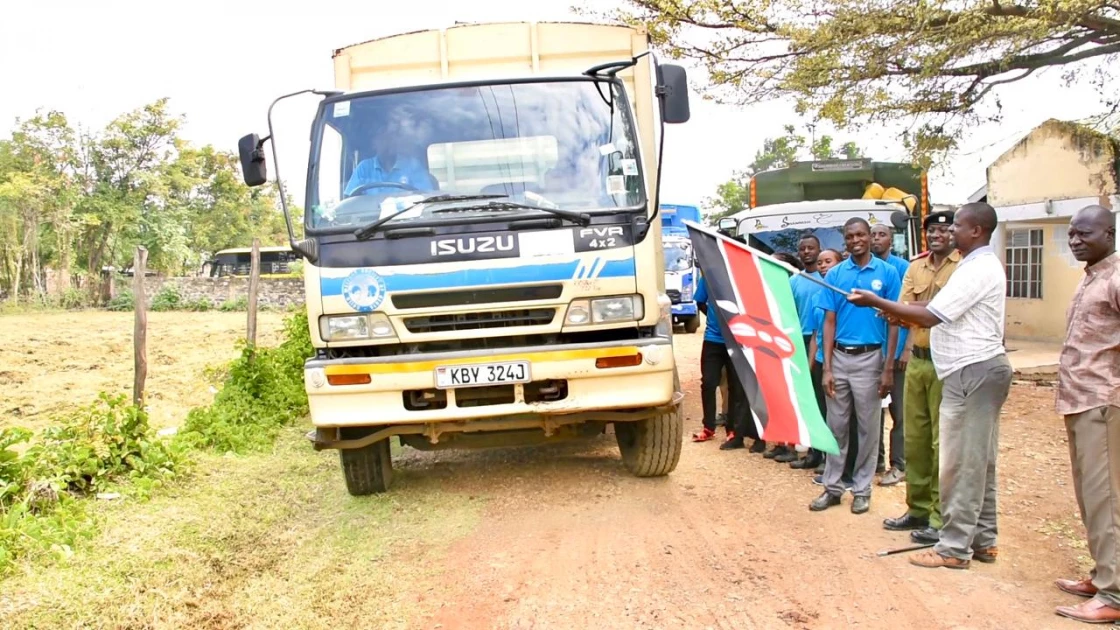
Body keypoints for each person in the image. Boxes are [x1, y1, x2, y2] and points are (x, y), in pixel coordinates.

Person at [848, 202, 1011, 569]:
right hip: (967, 370)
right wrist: (894, 310)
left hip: (973, 371)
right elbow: (922, 311)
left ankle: (953, 548)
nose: (950, 232)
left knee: (961, 463)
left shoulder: (977, 268)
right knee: (977, 461)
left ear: (977, 231)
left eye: (958, 226)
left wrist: (876, 300)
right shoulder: (973, 265)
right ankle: (983, 541)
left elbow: (932, 314)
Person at [1052, 205, 1120, 624]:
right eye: (1072, 234)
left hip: (1103, 401)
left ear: (1110, 233)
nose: (1076, 240)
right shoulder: (1092, 277)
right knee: (1090, 497)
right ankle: (1102, 574)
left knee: (1106, 498)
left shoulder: (1115, 278)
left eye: (1085, 234)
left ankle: (1114, 594)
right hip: (1078, 400)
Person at [809, 218, 901, 515]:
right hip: (839, 359)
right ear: (844, 240)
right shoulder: (835, 274)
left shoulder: (887, 273)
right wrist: (827, 367)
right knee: (836, 428)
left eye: (861, 234)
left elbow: (894, 321)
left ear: (869, 238)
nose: (856, 240)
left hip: (871, 360)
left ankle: (862, 490)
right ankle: (833, 488)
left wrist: (888, 367)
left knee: (867, 428)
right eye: (850, 236)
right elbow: (829, 321)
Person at [880, 210, 960, 545]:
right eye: (932, 230)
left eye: (944, 229)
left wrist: (915, 309)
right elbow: (903, 310)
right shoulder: (916, 266)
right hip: (917, 360)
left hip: (947, 362)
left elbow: (937, 311)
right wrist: (912, 311)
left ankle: (941, 518)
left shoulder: (964, 266)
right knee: (915, 437)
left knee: (942, 442)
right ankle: (918, 508)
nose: (937, 235)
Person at [692, 274, 763, 452]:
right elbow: (700, 301)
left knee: (736, 386)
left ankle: (733, 429)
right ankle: (708, 426)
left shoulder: (740, 274)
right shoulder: (708, 276)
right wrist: (714, 320)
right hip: (713, 339)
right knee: (708, 383)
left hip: (737, 341)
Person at [870, 223, 911, 485]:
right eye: (872, 234)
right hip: (871, 354)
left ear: (890, 240)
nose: (876, 239)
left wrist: (905, 349)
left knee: (899, 411)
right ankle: (876, 460)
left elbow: (907, 312)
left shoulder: (902, 268)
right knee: (872, 412)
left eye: (881, 234)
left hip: (896, 354)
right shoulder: (863, 268)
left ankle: (900, 464)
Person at [784, 236, 826, 469]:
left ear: (818, 250)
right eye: (803, 249)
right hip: (799, 341)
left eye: (811, 247)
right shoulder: (794, 280)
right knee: (804, 399)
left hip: (820, 341)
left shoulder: (828, 278)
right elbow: (787, 311)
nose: (807, 252)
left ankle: (825, 454)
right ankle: (811, 452)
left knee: (821, 400)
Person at [344, 110, 438, 198]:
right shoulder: (364, 168)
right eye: (382, 138)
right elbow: (350, 201)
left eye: (390, 137)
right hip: (371, 216)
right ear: (374, 143)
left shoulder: (413, 165)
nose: (387, 143)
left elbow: (426, 197)